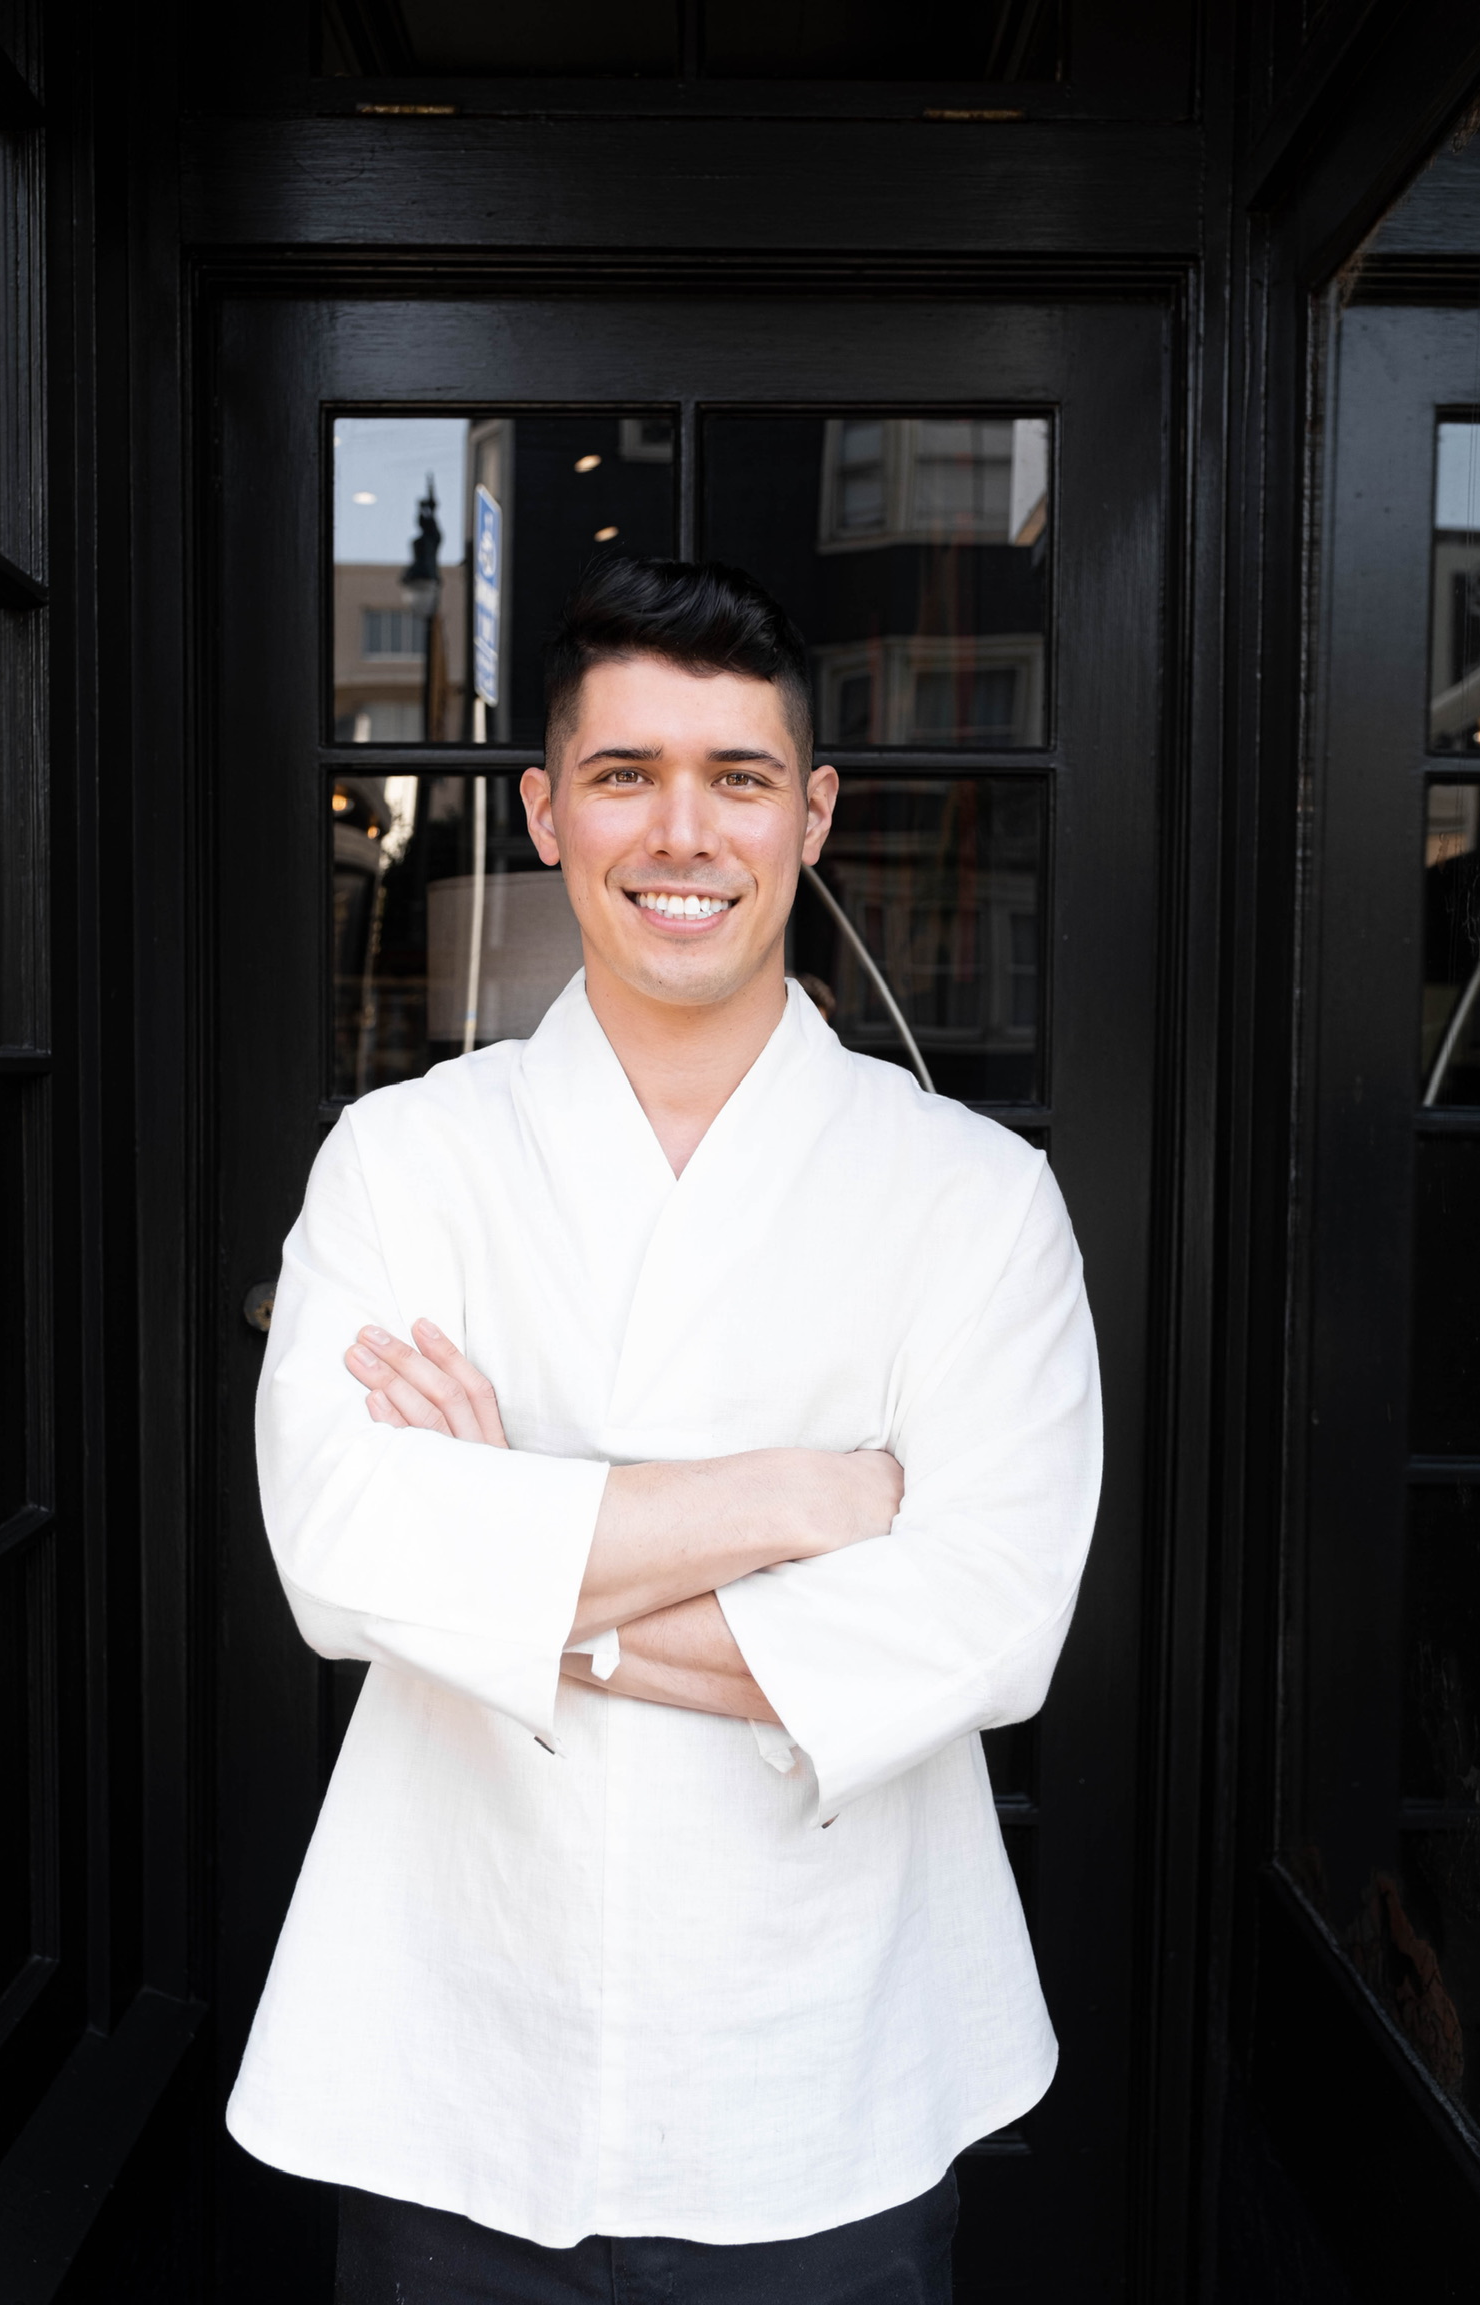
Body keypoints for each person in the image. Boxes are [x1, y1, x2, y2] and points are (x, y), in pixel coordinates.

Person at [227, 557, 1102, 2305]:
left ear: (814, 814)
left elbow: (989, 1623)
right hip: (452, 2053)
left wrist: (517, 1553)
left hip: (830, 2065)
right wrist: (800, 1499)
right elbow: (342, 1558)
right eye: (624, 776)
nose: (680, 831)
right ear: (547, 814)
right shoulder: (402, 1161)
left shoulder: (973, 1197)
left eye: (740, 777)